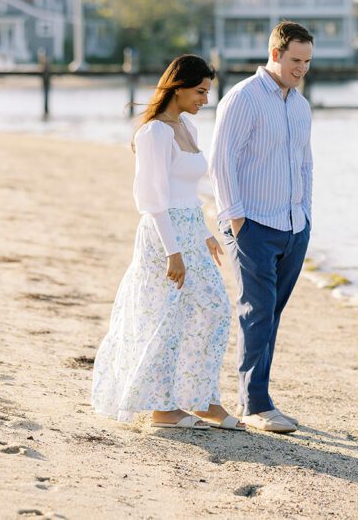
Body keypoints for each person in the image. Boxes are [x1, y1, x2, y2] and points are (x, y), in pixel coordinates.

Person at [92, 54, 244, 431]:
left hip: (191, 228)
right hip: (165, 236)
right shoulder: (155, 132)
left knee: (213, 310)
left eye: (207, 92)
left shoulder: (185, 128)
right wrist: (173, 252)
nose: (205, 99)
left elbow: (187, 190)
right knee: (167, 319)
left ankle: (201, 398)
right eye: (199, 91)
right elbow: (153, 199)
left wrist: (204, 232)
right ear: (177, 87)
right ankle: (163, 409)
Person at [209, 22, 314, 434]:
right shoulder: (243, 99)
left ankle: (259, 398)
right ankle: (255, 404)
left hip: (293, 224)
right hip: (252, 224)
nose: (301, 69)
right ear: (275, 54)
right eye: (295, 60)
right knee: (257, 312)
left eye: (307, 61)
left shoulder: (300, 105)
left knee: (272, 314)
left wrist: (305, 214)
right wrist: (236, 219)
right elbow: (222, 162)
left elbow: (305, 164)